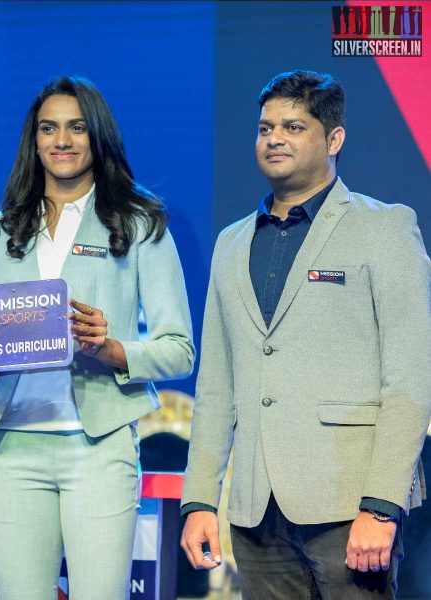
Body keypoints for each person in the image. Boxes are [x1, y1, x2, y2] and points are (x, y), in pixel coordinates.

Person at [180, 70, 431, 599]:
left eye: (294, 126)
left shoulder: (385, 228)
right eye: (265, 127)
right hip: (254, 509)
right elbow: (216, 387)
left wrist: (382, 507)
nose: (274, 138)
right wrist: (201, 500)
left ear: (333, 139)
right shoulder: (230, 243)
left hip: (350, 504)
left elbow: (412, 379)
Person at [0, 76, 195, 599]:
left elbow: (180, 348)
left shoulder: (139, 223)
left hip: (99, 445)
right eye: (49, 128)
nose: (62, 139)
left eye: (77, 127)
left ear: (97, 135)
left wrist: (111, 349)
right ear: (33, 141)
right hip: (12, 450)